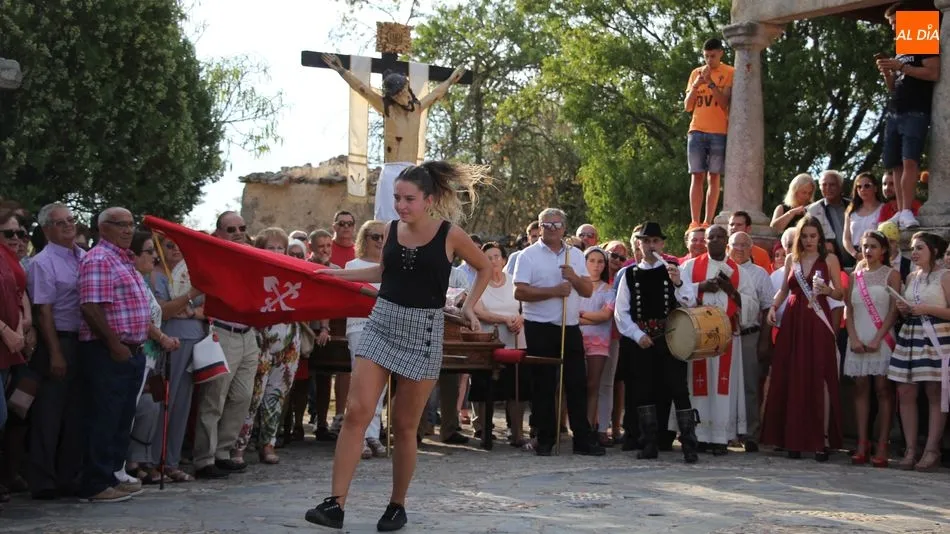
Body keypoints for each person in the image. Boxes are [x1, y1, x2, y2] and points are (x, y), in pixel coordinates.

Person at [305, 160, 491, 532]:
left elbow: (485, 268)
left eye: (409, 199)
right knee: (356, 412)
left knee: (405, 427)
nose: (401, 206)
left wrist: (468, 305)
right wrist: (335, 275)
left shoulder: (450, 234)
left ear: (429, 199)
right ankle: (334, 504)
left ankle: (396, 505)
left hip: (424, 330)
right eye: (397, 198)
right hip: (382, 322)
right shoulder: (390, 230)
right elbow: (382, 273)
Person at [321, 54, 467, 224]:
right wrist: (341, 70)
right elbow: (362, 88)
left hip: (412, 170)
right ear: (392, 96)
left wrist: (450, 81)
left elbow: (436, 93)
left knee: (413, 219)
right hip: (391, 171)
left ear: (408, 88)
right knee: (386, 221)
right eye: (398, 95)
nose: (402, 96)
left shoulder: (417, 108)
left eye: (404, 91)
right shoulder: (387, 108)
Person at [512, 208, 605, 457]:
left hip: (569, 325)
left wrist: (574, 277)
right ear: (539, 227)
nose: (552, 229)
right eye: (546, 225)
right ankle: (545, 438)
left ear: (564, 227)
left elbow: (586, 291)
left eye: (556, 225)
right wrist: (554, 291)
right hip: (539, 326)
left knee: (576, 383)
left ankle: (582, 439)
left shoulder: (574, 255)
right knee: (543, 384)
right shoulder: (527, 256)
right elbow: (519, 292)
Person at [76, 208, 150, 503]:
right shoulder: (99, 259)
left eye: (131, 224)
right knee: (104, 417)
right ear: (103, 227)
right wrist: (114, 345)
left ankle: (111, 476)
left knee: (121, 419)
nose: (128, 230)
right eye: (121, 225)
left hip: (131, 350)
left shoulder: (124, 259)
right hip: (108, 350)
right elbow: (91, 307)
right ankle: (94, 484)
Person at [614, 222, 697, 463]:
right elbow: (621, 312)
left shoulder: (675, 269)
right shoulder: (629, 275)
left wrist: (679, 283)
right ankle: (648, 442)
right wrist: (637, 335)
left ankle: (689, 444)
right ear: (639, 245)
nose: (651, 246)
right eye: (646, 241)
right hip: (643, 340)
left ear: (662, 244)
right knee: (644, 391)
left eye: (655, 241)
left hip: (671, 339)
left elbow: (689, 302)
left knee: (679, 389)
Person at [764, 216, 844, 461]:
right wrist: (772, 306)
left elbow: (841, 292)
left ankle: (823, 439)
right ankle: (792, 438)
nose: (809, 240)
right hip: (793, 321)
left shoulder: (829, 259)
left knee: (819, 376)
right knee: (791, 375)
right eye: (805, 236)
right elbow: (784, 289)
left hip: (817, 320)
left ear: (820, 237)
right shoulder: (792, 259)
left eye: (813, 236)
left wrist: (828, 290)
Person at [193, 211, 260, 479]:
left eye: (242, 228)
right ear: (218, 233)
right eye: (231, 229)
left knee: (243, 396)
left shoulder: (252, 259)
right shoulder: (212, 261)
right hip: (221, 332)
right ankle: (204, 458)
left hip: (248, 334)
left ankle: (223, 451)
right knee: (214, 399)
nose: (238, 233)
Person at [26, 204, 86, 499]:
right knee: (49, 413)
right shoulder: (43, 262)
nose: (67, 226)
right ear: (47, 229)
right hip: (58, 340)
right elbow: (43, 312)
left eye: (70, 220)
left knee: (76, 412)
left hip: (84, 341)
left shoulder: (84, 257)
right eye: (59, 223)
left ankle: (69, 476)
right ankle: (43, 479)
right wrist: (55, 353)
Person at [677, 225, 749, 455]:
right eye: (711, 237)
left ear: (726, 240)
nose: (715, 240)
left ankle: (720, 437)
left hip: (726, 336)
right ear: (705, 241)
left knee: (723, 384)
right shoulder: (690, 266)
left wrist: (731, 290)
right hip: (698, 335)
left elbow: (752, 304)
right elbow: (679, 292)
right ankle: (698, 435)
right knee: (698, 383)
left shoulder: (738, 271)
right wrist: (701, 286)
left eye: (720, 237)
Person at [233, 229, 302, 466]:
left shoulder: (293, 272)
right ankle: (239, 445)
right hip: (258, 337)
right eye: (270, 247)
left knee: (276, 394)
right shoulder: (251, 274)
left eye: (279, 248)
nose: (275, 252)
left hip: (288, 339)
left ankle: (267, 444)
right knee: (253, 395)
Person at [888, 232, 950, 471]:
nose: (913, 252)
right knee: (905, 392)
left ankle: (932, 449)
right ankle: (911, 448)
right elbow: (909, 309)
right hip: (911, 337)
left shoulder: (945, 276)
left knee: (935, 392)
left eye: (919, 248)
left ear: (933, 251)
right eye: (912, 248)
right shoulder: (912, 276)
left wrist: (926, 308)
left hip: (936, 337)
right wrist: (904, 309)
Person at [877, 3, 940, 230]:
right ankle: (900, 211)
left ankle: (906, 210)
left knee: (910, 160)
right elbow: (894, 87)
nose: (893, 28)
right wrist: (888, 73)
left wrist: (901, 67)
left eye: (895, 23)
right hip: (895, 110)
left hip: (916, 110)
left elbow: (933, 72)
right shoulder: (902, 46)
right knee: (895, 164)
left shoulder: (922, 37)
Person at [150, 236, 204, 482]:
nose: (175, 251)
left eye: (179, 246)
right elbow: (163, 311)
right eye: (169, 245)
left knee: (183, 403)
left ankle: (171, 460)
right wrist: (190, 297)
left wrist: (190, 310)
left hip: (194, 341)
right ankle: (153, 459)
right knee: (164, 402)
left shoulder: (190, 273)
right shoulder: (156, 275)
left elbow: (208, 307)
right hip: (168, 342)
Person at [844, 231, 900, 467]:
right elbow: (849, 308)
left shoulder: (892, 275)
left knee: (883, 389)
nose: (868, 251)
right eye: (865, 246)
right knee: (860, 388)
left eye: (873, 246)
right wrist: (853, 337)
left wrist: (879, 338)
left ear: (884, 250)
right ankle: (862, 442)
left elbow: (894, 311)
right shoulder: (854, 275)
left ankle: (882, 444)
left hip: (882, 336)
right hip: (858, 335)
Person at [471, 242, 528, 447]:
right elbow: (478, 311)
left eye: (497, 256)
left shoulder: (514, 282)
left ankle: (518, 433)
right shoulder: (479, 283)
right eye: (488, 257)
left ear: (504, 260)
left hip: (515, 341)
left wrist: (520, 319)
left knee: (516, 387)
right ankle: (485, 431)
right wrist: (504, 319)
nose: (493, 260)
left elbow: (525, 307)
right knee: (485, 386)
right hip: (488, 343)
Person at [344, 220, 388, 459]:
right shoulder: (353, 265)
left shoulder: (390, 266)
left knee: (379, 385)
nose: (380, 241)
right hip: (360, 326)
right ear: (365, 239)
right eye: (375, 237)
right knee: (360, 382)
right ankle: (357, 436)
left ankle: (372, 433)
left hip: (386, 328)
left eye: (383, 237)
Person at [728, 232, 773, 452]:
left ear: (751, 248)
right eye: (735, 245)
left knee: (750, 386)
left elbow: (767, 309)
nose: (739, 249)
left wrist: (764, 341)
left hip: (749, 335)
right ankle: (726, 431)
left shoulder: (760, 274)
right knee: (725, 384)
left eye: (744, 245)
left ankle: (751, 433)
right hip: (724, 336)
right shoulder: (721, 270)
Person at [684, 38, 734, 230]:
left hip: (719, 130)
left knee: (714, 176)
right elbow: (688, 106)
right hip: (696, 129)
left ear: (721, 53)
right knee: (696, 175)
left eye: (712, 56)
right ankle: (695, 220)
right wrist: (697, 83)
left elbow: (724, 103)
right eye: (706, 56)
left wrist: (711, 83)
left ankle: (708, 220)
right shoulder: (696, 73)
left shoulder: (729, 72)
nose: (709, 60)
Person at [578, 247, 615, 432]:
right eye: (591, 260)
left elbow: (605, 315)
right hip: (577, 338)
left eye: (600, 261)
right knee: (574, 383)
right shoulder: (576, 287)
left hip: (598, 340)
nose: (596, 265)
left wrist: (581, 316)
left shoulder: (608, 289)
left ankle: (590, 425)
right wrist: (588, 317)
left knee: (593, 384)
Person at [806, 170, 851, 264]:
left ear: (840, 186)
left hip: (857, 261)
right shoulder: (812, 210)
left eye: (832, 184)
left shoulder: (853, 206)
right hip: (828, 263)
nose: (828, 188)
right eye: (824, 185)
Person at [842, 173, 884, 264]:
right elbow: (846, 238)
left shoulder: (883, 209)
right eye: (859, 187)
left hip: (878, 256)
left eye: (867, 186)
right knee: (858, 278)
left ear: (876, 188)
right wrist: (855, 254)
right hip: (856, 257)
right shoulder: (850, 211)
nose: (862, 189)